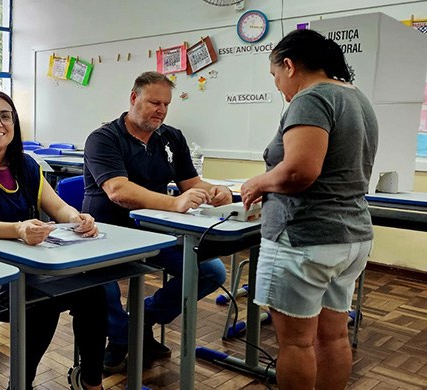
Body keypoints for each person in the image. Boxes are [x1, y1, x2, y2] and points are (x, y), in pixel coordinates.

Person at [0, 88, 105, 390]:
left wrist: (78, 218)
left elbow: (58, 207)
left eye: (5, 116)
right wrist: (18, 229)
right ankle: (21, 384)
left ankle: (90, 381)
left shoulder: (26, 166)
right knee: (42, 301)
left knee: (93, 292)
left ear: (14, 123)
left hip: (23, 266)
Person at [240, 29, 377, 390]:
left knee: (297, 343)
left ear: (289, 65)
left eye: (275, 75)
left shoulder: (310, 98)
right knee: (333, 337)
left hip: (304, 239)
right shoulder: (355, 97)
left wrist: (259, 183)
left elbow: (299, 171)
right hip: (349, 237)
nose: (277, 86)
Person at [82, 71, 230, 373]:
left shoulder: (171, 137)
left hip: (155, 232)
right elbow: (118, 190)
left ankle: (139, 321)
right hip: (106, 235)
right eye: (154, 103)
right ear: (133, 98)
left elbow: (191, 183)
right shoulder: (103, 138)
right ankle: (124, 336)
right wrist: (174, 203)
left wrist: (216, 191)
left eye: (166, 104)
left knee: (211, 271)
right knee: (101, 288)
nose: (161, 110)